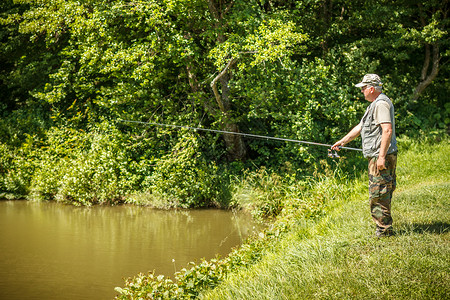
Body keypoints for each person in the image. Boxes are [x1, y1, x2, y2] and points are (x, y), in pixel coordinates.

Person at [332, 74, 398, 237]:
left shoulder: (381, 104)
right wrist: (343, 141)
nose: (361, 91)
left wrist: (381, 157)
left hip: (380, 155)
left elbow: (387, 130)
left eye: (363, 88)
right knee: (381, 190)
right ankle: (384, 228)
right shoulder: (374, 105)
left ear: (371, 88)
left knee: (379, 192)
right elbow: (361, 126)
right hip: (378, 155)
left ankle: (384, 231)